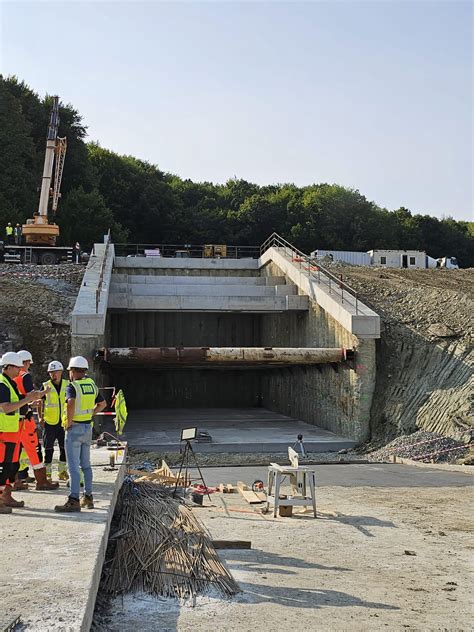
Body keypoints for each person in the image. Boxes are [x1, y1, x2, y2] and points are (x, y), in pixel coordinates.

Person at [55, 356, 106, 512]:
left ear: (72, 371)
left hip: (74, 429)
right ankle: (88, 498)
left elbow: (70, 403)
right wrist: (90, 414)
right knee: (86, 466)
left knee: (73, 467)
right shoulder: (92, 385)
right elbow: (103, 404)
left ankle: (74, 499)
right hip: (87, 428)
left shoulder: (73, 386)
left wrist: (69, 423)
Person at [0, 352, 47, 513]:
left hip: (12, 431)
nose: (19, 371)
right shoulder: (2, 384)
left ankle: (6, 496)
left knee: (11, 466)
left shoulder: (10, 383)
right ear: (8, 367)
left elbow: (18, 403)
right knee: (3, 466)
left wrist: (32, 402)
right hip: (3, 432)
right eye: (17, 368)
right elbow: (6, 407)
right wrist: (28, 400)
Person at [15, 350, 58, 491]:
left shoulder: (9, 378)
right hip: (25, 421)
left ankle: (15, 480)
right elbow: (32, 395)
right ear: (26, 362)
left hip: (13, 418)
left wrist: (29, 404)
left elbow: (19, 399)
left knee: (13, 450)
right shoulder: (24, 376)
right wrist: (44, 393)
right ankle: (41, 481)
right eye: (28, 363)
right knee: (34, 449)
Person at [38, 361, 68, 482]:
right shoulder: (45, 386)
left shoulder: (68, 384)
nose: (53, 374)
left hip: (63, 422)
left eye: (55, 372)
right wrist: (40, 417)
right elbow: (40, 402)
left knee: (64, 448)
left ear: (61, 372)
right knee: (48, 448)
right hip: (49, 422)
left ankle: (61, 471)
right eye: (51, 372)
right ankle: (48, 473)